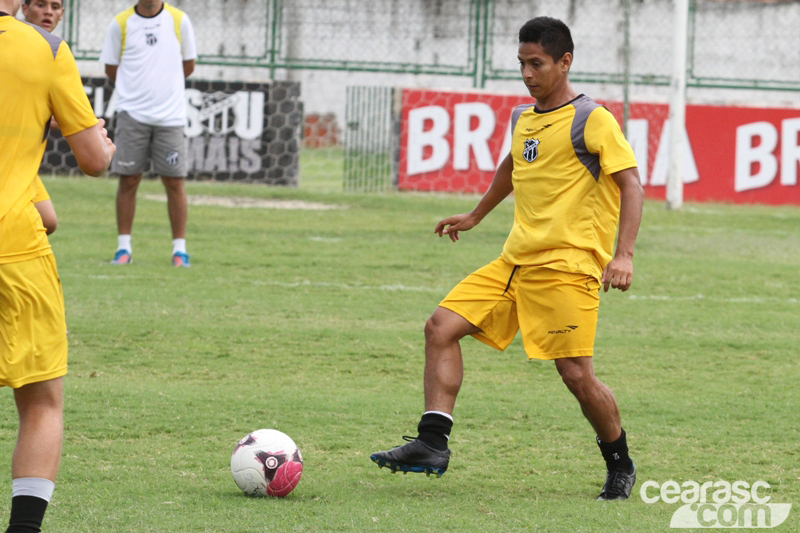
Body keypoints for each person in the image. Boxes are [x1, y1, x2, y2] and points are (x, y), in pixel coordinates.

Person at [371, 16, 644, 501]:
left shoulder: (592, 118)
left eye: (536, 63)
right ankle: (432, 442)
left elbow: (631, 185)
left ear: (565, 62)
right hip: (514, 262)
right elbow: (513, 164)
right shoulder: (523, 117)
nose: (526, 73)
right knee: (441, 327)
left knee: (576, 375)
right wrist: (477, 214)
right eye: (521, 63)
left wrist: (622, 255)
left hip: (568, 265)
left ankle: (619, 462)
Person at [1, 1, 116, 531]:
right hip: (11, 247)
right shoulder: (44, 49)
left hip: (22, 223)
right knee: (42, 402)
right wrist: (106, 143)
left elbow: (46, 211)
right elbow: (93, 159)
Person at [99, 0, 197, 267]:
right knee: (128, 180)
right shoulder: (120, 23)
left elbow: (188, 65)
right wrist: (137, 91)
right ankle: (123, 249)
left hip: (171, 118)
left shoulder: (179, 21)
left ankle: (179, 250)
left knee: (175, 182)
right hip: (132, 115)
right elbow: (111, 68)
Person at [21, 0, 66, 236]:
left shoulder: (56, 51)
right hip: (10, 156)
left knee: (47, 221)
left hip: (25, 161)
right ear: (24, 8)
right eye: (41, 4)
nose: (48, 11)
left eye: (55, 6)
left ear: (62, 15)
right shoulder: (14, 44)